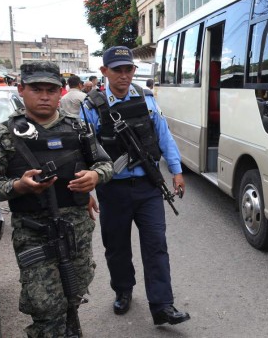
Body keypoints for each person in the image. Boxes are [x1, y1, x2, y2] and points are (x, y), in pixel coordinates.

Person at [0, 61, 113, 337]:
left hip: (75, 234)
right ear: (22, 89)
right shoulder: (2, 135)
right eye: (37, 89)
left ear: (61, 92)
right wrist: (18, 186)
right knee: (44, 306)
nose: (45, 96)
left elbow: (106, 164)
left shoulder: (79, 129)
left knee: (74, 292)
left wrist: (95, 177)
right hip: (34, 234)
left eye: (51, 89)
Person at [81, 46, 190, 326]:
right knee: (116, 247)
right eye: (117, 69)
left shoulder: (147, 99)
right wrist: (85, 191)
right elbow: (83, 151)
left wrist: (176, 171)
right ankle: (123, 289)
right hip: (112, 190)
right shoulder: (91, 106)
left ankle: (162, 305)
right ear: (104, 72)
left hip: (148, 187)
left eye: (128, 69)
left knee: (156, 245)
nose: (124, 75)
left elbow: (164, 137)